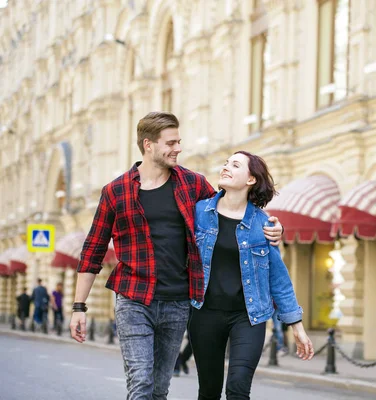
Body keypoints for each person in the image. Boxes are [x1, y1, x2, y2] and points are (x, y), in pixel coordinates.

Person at [69, 112, 283, 400]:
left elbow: (232, 211)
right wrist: (79, 307)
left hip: (179, 302)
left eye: (179, 141)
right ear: (149, 145)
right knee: (141, 384)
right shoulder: (116, 191)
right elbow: (93, 250)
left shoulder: (192, 184)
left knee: (159, 389)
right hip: (134, 299)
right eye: (171, 143)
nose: (178, 148)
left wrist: (272, 226)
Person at [189, 151, 314, 400]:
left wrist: (296, 325)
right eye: (225, 163)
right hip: (205, 314)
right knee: (209, 391)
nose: (226, 167)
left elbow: (278, 278)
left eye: (235, 165)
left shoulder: (263, 223)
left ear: (251, 179)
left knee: (238, 388)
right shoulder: (199, 212)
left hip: (248, 316)